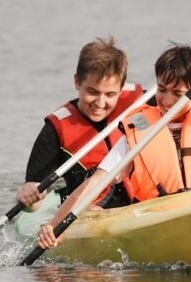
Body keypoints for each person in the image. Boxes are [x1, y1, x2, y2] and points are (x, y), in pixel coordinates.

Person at [37, 43, 191, 249]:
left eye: (178, 94)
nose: (167, 101)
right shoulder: (138, 131)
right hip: (161, 219)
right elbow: (96, 182)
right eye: (161, 90)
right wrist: (54, 224)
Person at [18, 37, 144, 211]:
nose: (100, 103)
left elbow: (183, 100)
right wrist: (29, 195)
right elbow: (33, 203)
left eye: (110, 94)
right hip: (89, 210)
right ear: (77, 82)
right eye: (92, 92)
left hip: (145, 201)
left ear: (121, 88)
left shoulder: (142, 102)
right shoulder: (55, 129)